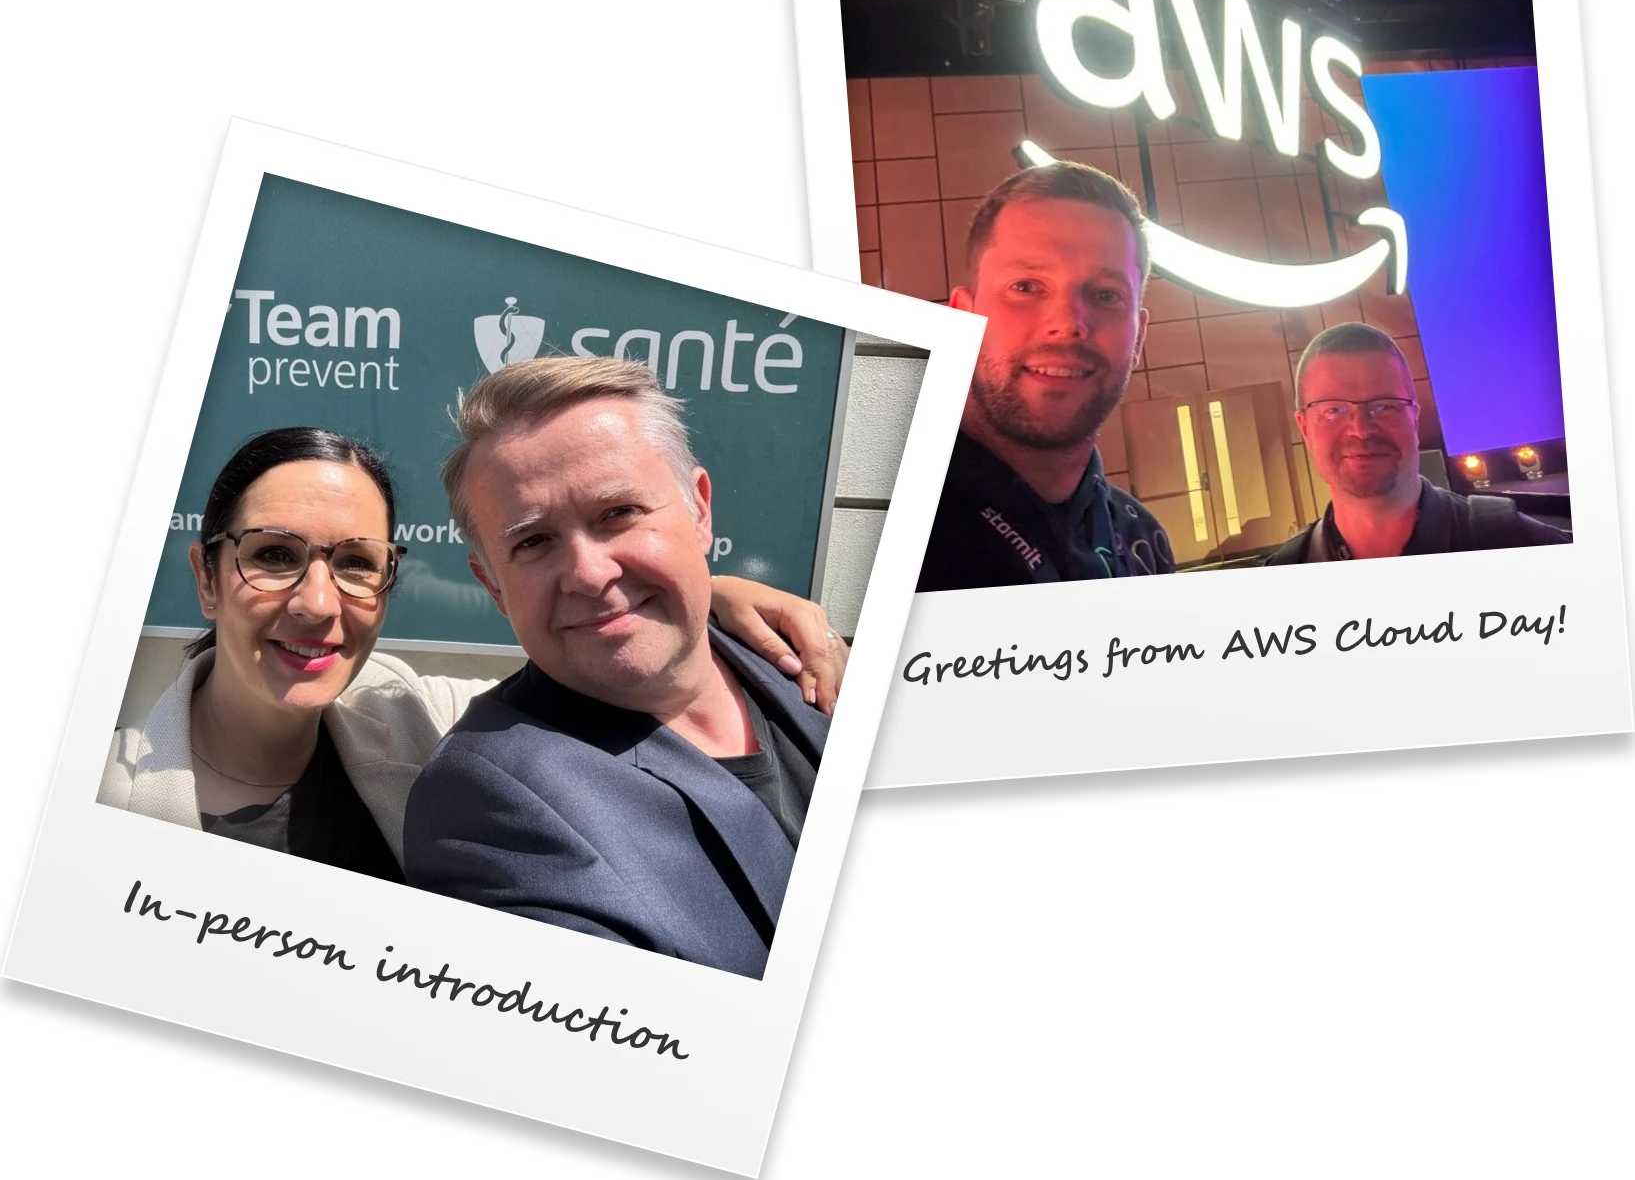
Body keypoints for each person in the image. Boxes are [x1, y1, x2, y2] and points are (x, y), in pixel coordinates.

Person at [97, 426, 850, 883]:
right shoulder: (98, 804)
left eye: (356, 563)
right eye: (272, 555)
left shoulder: (420, 718)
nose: (317, 604)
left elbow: (575, 656)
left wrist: (689, 588)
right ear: (205, 576)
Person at [402, 358, 828, 979]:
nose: (590, 574)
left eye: (619, 513)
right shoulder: (485, 804)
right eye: (533, 542)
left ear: (699, 510)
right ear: (492, 584)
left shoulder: (803, 659)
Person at [919, 161, 1174, 592]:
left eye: (1106, 295)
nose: (1068, 323)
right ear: (962, 318)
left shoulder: (1144, 546)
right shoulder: (868, 520)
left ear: (1139, 338)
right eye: (1026, 286)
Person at [1267, 322, 1571, 563]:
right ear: (1305, 428)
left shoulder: (1514, 543)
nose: (1360, 429)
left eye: (1384, 405)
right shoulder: (1278, 581)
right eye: (1333, 410)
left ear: (1413, 417)